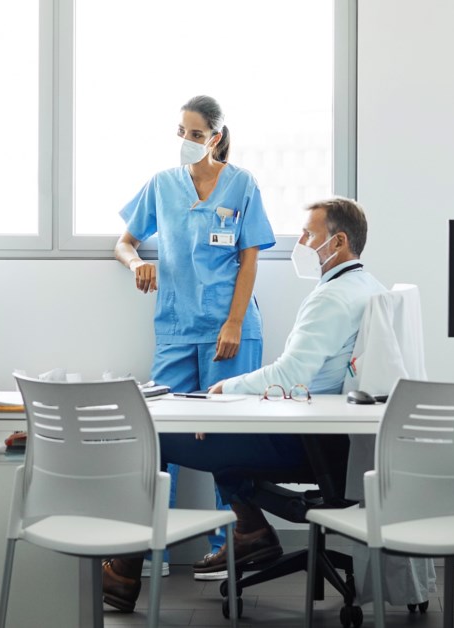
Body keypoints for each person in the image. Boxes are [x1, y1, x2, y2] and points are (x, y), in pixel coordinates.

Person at [103, 197, 387, 613]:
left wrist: (223, 391)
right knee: (217, 435)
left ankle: (124, 573)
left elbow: (291, 374)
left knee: (158, 437)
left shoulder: (331, 299)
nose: (302, 242)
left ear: (339, 241)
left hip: (306, 440)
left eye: (309, 234)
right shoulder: (365, 286)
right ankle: (252, 530)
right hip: (334, 437)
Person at [113, 95, 276, 584]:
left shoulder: (241, 184)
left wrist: (232, 322)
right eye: (180, 132)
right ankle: (148, 549)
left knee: (228, 437)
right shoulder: (162, 186)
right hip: (177, 328)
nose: (186, 142)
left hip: (231, 328)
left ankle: (231, 546)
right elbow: (123, 242)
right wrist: (137, 262)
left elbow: (250, 259)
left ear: (217, 138)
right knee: (158, 432)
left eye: (196, 134)